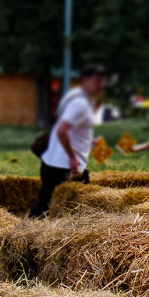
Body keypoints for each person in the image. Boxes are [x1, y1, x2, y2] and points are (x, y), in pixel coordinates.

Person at [29, 64, 106, 217]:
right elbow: (62, 130)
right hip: (68, 167)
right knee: (81, 208)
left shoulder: (74, 96)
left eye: (102, 81)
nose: (101, 85)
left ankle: (26, 234)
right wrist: (72, 156)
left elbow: (70, 130)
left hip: (52, 163)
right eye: (97, 81)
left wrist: (89, 143)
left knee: (45, 206)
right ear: (86, 80)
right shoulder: (81, 103)